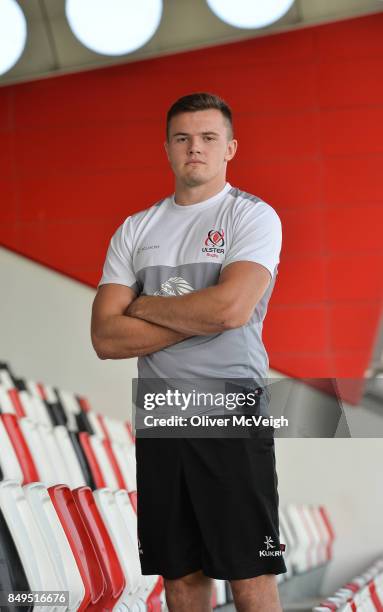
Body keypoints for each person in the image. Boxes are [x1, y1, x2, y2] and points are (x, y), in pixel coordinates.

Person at [91, 92, 286, 612]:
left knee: (251, 574)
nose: (193, 148)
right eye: (182, 138)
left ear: (230, 149)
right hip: (162, 415)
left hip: (230, 409)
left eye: (207, 138)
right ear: (168, 149)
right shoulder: (136, 229)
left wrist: (145, 306)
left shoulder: (254, 216)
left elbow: (230, 310)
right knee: (180, 577)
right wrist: (198, 314)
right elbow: (106, 338)